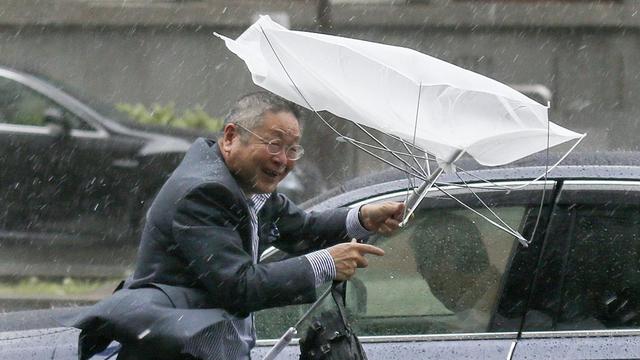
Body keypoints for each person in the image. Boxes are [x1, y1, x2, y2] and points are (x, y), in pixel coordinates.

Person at [66, 91, 404, 360]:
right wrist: (326, 263)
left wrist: (361, 217)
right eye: (273, 145)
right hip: (179, 350)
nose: (283, 160)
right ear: (231, 137)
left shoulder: (242, 183)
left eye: (292, 149)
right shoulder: (203, 192)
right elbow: (239, 286)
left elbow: (301, 227)